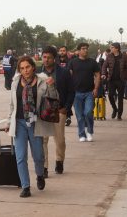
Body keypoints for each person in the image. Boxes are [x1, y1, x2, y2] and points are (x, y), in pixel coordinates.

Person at [4, 56, 56, 198]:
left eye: (27, 67)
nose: (25, 70)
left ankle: (40, 175)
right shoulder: (15, 83)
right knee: (20, 157)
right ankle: (25, 186)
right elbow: (12, 105)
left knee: (38, 156)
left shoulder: (43, 81)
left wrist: (51, 86)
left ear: (33, 67)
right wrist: (9, 122)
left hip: (36, 123)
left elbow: (53, 98)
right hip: (19, 123)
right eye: (22, 68)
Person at [39, 46, 74, 177]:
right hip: (42, 112)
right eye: (44, 57)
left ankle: (59, 161)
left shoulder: (63, 73)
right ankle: (44, 167)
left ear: (55, 58)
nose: (46, 60)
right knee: (42, 140)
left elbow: (71, 91)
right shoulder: (37, 72)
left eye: (49, 57)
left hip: (59, 110)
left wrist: (66, 107)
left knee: (59, 140)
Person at [68, 43, 101, 142]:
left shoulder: (92, 62)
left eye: (86, 49)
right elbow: (69, 76)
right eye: (83, 49)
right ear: (78, 51)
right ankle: (81, 134)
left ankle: (89, 132)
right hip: (76, 93)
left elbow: (98, 75)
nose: (85, 50)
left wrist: (96, 88)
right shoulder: (73, 62)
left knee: (88, 112)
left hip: (89, 92)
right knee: (79, 115)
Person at [101, 42, 127, 120]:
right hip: (111, 80)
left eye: (112, 47)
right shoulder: (109, 56)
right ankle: (115, 109)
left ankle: (119, 115)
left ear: (117, 48)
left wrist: (126, 77)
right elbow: (104, 66)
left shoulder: (124, 57)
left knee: (120, 98)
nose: (111, 49)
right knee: (110, 96)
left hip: (121, 80)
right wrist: (103, 73)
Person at [56, 46, 73, 126]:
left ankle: (68, 116)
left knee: (67, 100)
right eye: (61, 50)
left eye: (64, 50)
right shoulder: (56, 60)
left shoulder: (70, 60)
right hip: (59, 83)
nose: (62, 52)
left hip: (68, 82)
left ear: (66, 51)